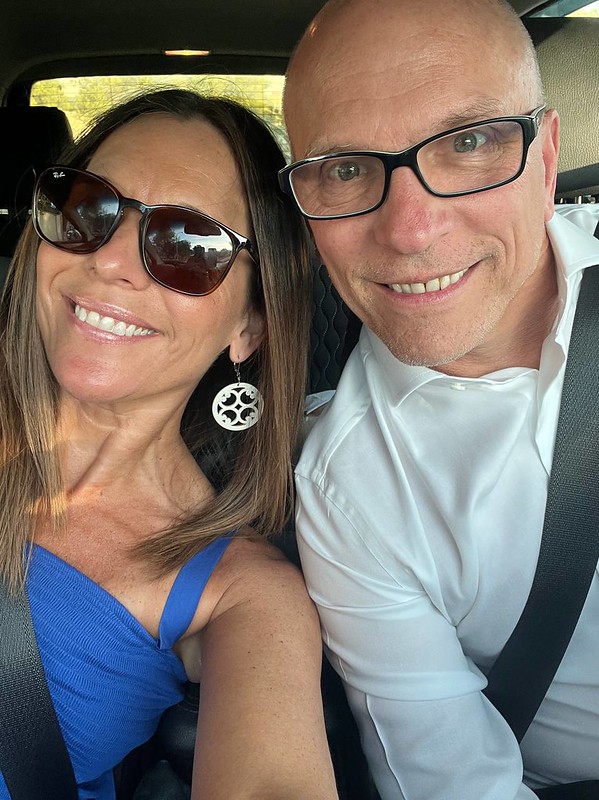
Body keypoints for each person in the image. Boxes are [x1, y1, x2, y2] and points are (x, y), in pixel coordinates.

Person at [280, 1, 599, 798]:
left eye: (467, 143)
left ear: (547, 157)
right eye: (345, 169)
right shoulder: (346, 487)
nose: (411, 230)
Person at [0, 88, 339, 800]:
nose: (111, 261)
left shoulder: (240, 593)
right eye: (86, 208)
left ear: (250, 326)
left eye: (189, 245)